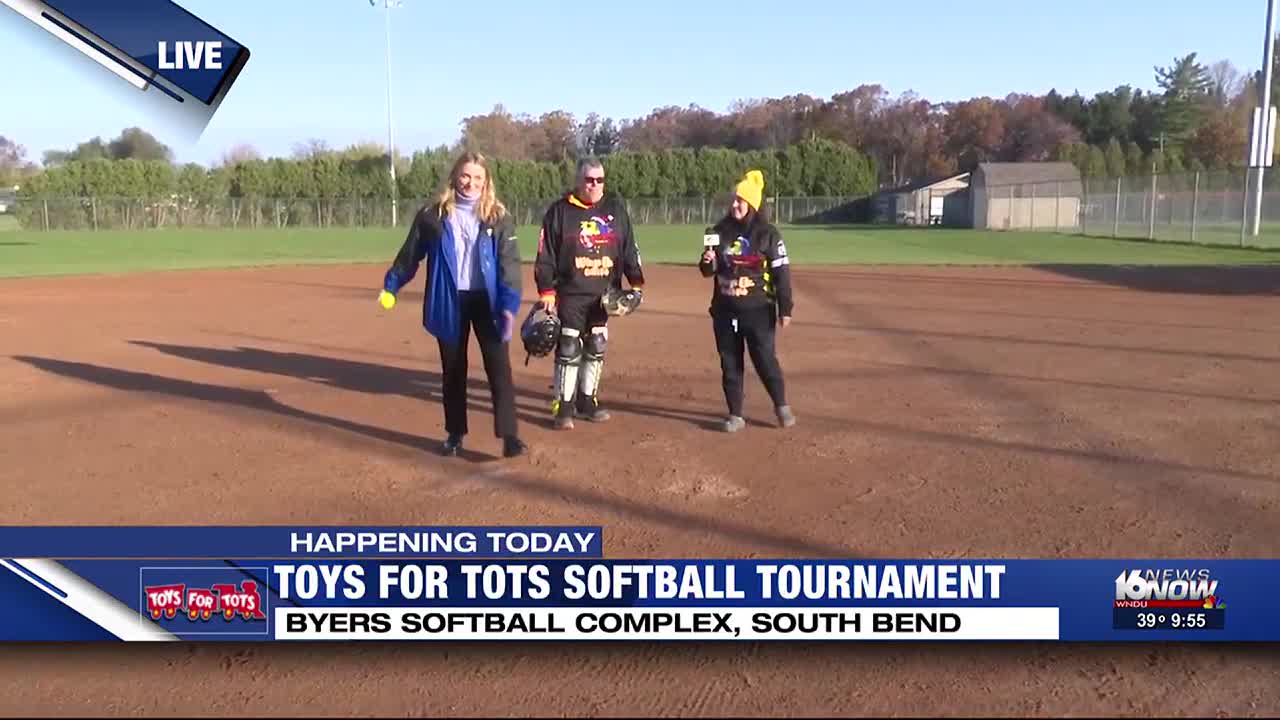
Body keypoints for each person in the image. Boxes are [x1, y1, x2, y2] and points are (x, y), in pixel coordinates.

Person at [378, 152, 527, 458]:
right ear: (455, 177)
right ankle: (455, 433)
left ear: (486, 182)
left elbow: (509, 264)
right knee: (454, 369)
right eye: (466, 176)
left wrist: (508, 306)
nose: (471, 183)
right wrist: (392, 285)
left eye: (478, 178)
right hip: (449, 299)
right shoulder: (432, 216)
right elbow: (410, 254)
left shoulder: (498, 217)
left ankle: (510, 436)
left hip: (487, 301)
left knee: (499, 366)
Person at [534, 157, 645, 430]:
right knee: (569, 346)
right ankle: (564, 406)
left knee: (596, 344)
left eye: (599, 180)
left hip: (604, 293)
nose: (594, 185)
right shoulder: (560, 212)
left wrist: (636, 283)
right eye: (589, 180)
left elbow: (629, 248)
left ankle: (587, 401)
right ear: (578, 180)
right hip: (571, 292)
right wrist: (546, 290)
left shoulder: (615, 210)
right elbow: (545, 255)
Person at [698, 169, 795, 433]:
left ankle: (781, 405)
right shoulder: (719, 231)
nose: (734, 205)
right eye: (733, 200)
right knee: (730, 362)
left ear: (752, 204)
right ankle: (735, 415)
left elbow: (781, 273)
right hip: (725, 310)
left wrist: (785, 307)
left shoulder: (768, 234)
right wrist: (708, 262)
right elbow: (707, 271)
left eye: (740, 201)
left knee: (764, 359)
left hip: (758, 310)